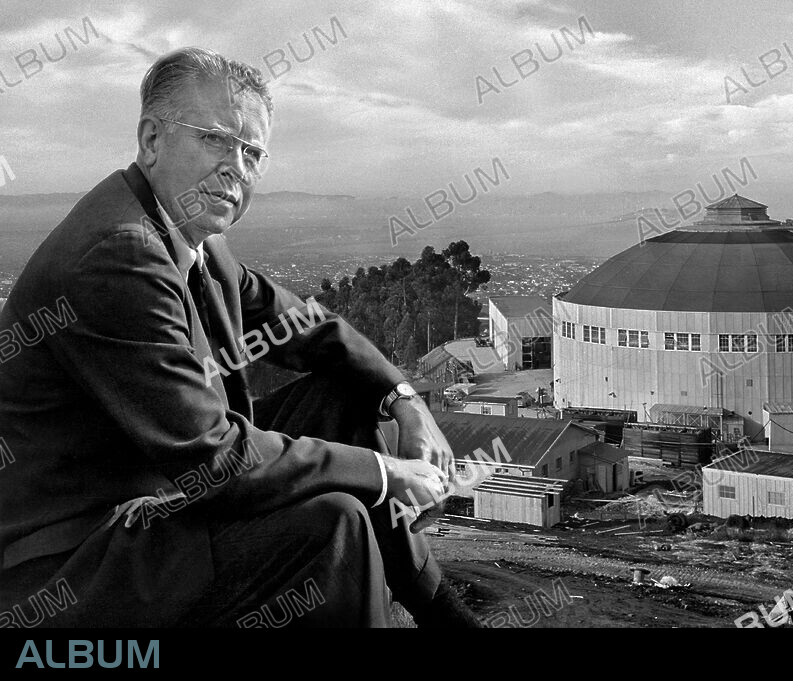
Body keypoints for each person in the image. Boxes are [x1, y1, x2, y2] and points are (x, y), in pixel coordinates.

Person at [0, 47, 479, 628]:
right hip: (76, 558)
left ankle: (444, 615)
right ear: (151, 140)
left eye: (252, 152)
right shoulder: (118, 255)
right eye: (214, 140)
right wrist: (387, 474)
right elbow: (218, 458)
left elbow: (310, 327)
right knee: (336, 522)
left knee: (345, 396)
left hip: (159, 499)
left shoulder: (194, 241)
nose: (236, 168)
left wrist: (405, 403)